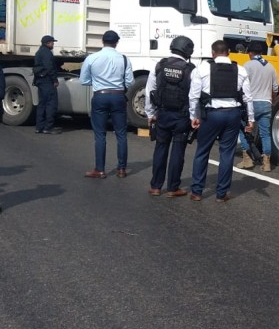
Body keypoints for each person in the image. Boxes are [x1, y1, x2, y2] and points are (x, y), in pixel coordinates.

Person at [189, 40, 254, 203]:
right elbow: (248, 97)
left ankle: (197, 191)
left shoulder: (202, 68)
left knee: (202, 151)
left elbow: (193, 96)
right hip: (232, 114)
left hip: (211, 114)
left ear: (212, 53)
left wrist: (194, 116)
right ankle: (221, 193)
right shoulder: (240, 70)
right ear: (229, 52)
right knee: (227, 154)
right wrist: (250, 120)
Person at [144, 36, 195, 198]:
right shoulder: (191, 69)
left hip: (163, 114)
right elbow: (194, 96)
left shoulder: (159, 66)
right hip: (182, 116)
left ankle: (155, 186)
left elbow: (149, 91)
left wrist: (150, 113)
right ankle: (173, 188)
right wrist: (195, 117)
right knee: (177, 151)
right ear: (188, 51)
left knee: (160, 148)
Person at [79, 30, 134, 179]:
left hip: (100, 96)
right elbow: (130, 81)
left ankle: (100, 169)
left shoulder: (92, 58)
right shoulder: (123, 59)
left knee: (100, 134)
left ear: (102, 41)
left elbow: (83, 80)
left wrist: (98, 83)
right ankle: (121, 169)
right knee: (121, 134)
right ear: (116, 43)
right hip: (118, 96)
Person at [236, 41, 279, 172]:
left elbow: (240, 85)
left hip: (251, 103)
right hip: (266, 103)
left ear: (250, 53)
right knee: (265, 134)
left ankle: (247, 159)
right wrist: (272, 101)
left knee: (244, 130)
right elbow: (275, 88)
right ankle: (266, 163)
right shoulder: (271, 67)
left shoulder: (247, 65)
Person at [33, 35, 60, 134]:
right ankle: (48, 127)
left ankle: (39, 127)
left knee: (42, 104)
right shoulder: (47, 53)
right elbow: (49, 67)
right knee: (51, 104)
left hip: (40, 81)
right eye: (52, 42)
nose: (53, 44)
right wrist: (55, 80)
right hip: (47, 81)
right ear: (47, 43)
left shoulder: (39, 52)